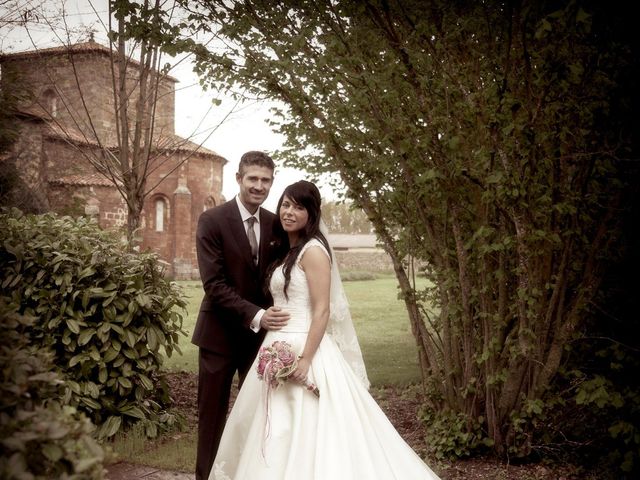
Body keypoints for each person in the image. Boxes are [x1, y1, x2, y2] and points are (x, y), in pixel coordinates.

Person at [209, 180, 441, 479]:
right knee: (271, 425)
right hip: (275, 344)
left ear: (311, 213)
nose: (289, 212)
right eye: (286, 204)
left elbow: (322, 311)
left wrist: (305, 359)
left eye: (299, 207)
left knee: (306, 426)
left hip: (306, 347)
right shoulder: (288, 250)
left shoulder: (314, 251)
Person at [192, 151, 291, 480]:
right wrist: (258, 315)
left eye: (265, 180)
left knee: (258, 416)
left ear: (271, 183)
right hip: (218, 336)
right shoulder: (212, 220)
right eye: (253, 179)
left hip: (259, 343)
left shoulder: (275, 223)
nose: (259, 186)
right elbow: (214, 284)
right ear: (238, 179)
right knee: (212, 420)